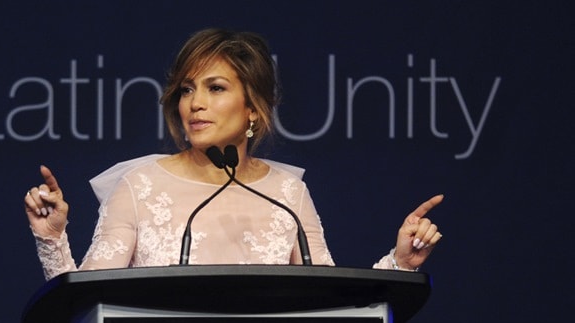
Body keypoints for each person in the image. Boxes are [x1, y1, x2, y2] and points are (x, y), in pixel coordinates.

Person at [25, 28, 442, 280]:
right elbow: (86, 302)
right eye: (187, 89)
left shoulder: (288, 195)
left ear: (253, 109)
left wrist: (400, 263)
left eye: (216, 88)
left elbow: (331, 297)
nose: (195, 103)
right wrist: (52, 239)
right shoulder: (140, 187)